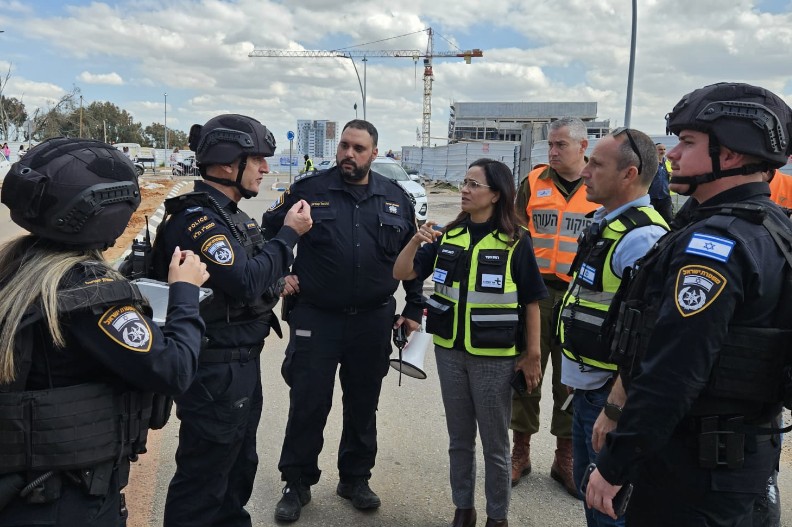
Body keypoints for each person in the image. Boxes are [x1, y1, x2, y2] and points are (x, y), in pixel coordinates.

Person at [586, 82, 792, 526]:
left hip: (693, 474)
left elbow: (674, 371)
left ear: (730, 155)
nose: (673, 154)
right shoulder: (771, 225)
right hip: (740, 462)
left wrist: (615, 465)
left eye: (688, 142)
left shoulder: (713, 246)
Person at [0, 138, 209, 526]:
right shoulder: (90, 295)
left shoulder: (16, 268)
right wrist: (185, 291)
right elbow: (174, 370)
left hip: (25, 487)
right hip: (66, 497)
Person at [262, 119, 423, 522]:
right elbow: (265, 232)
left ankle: (355, 479)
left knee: (363, 404)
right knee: (308, 402)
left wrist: (413, 307)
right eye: (345, 146)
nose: (349, 154)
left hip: (372, 319)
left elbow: (413, 257)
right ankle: (296, 482)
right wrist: (279, 275)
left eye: (359, 148)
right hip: (316, 317)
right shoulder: (308, 190)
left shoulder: (395, 198)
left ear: (374, 153)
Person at [160, 114, 313, 527]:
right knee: (204, 479)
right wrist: (289, 234)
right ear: (229, 164)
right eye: (257, 159)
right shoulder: (199, 220)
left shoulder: (231, 216)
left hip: (239, 363)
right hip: (215, 370)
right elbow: (245, 280)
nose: (265, 168)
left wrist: (277, 275)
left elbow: (259, 272)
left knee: (238, 467)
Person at [393, 159, 546, 527]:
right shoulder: (448, 235)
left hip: (495, 358)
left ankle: (497, 517)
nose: (464, 189)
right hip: (450, 353)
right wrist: (415, 240)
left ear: (495, 194)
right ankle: (463, 509)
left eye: (474, 184)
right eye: (464, 182)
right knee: (459, 440)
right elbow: (402, 271)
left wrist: (533, 354)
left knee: (495, 444)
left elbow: (532, 301)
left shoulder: (515, 240)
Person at [557, 127, 668, 526]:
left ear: (628, 174)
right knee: (592, 498)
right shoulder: (606, 223)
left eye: (597, 165)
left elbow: (649, 338)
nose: (585, 172)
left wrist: (615, 407)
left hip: (609, 397)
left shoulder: (643, 238)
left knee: (608, 509)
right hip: (591, 387)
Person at [511, 116, 597, 495]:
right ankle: (520, 452)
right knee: (526, 370)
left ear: (583, 146)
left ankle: (566, 457)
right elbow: (514, 232)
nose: (552, 151)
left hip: (581, 295)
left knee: (572, 379)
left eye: (561, 144)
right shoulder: (533, 183)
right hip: (536, 293)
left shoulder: (598, 184)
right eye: (550, 144)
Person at [648, 143, 674, 223]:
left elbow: (674, 175)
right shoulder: (650, 163)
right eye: (660, 149)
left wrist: (673, 175)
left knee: (668, 219)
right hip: (651, 197)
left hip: (665, 196)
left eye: (664, 149)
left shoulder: (668, 163)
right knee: (652, 220)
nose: (663, 151)